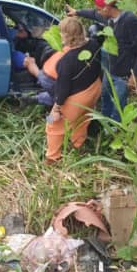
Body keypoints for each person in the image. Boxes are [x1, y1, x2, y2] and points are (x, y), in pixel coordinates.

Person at [65, 0, 137, 123]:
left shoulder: (130, 21)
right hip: (110, 71)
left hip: (123, 74)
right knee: (105, 97)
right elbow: (93, 14)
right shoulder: (109, 18)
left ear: (107, 8)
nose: (98, 12)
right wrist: (77, 12)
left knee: (119, 104)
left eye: (100, 9)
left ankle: (116, 128)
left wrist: (135, 74)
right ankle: (104, 123)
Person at [44, 16, 102, 163]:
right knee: (82, 120)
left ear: (66, 36)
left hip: (76, 99)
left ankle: (52, 158)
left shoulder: (66, 61)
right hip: (94, 90)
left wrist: (56, 109)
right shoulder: (94, 44)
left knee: (52, 125)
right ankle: (78, 145)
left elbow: (63, 90)